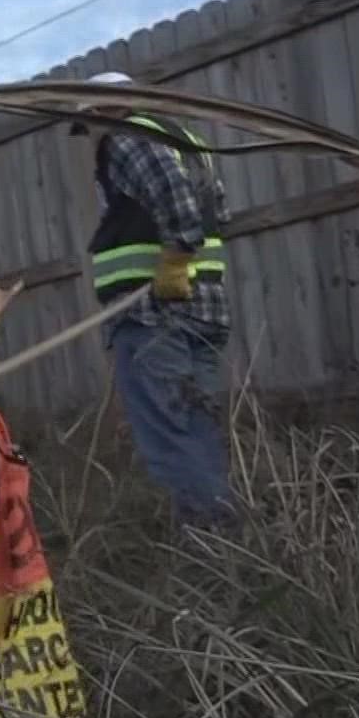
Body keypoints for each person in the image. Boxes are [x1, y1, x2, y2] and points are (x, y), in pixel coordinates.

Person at [73, 70, 238, 528]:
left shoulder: (128, 138)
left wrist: (175, 258)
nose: (92, 136)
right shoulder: (186, 140)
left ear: (105, 108)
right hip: (203, 310)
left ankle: (209, 542)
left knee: (169, 431)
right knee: (195, 424)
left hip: (154, 315)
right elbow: (219, 213)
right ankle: (224, 540)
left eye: (89, 123)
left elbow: (179, 205)